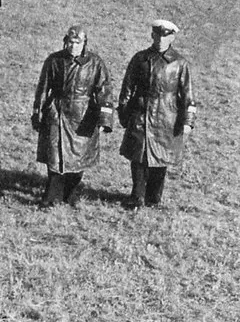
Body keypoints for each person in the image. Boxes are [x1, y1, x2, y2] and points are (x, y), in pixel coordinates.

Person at [31, 25, 115, 207]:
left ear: (84, 44)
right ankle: (51, 196)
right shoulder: (54, 61)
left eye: (77, 43)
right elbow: (43, 88)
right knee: (55, 156)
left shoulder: (95, 63)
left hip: (83, 116)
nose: (72, 46)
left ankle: (70, 193)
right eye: (69, 42)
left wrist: (105, 119)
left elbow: (105, 91)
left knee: (79, 159)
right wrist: (38, 112)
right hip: (57, 112)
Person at [117, 19, 196, 209]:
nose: (161, 39)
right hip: (141, 113)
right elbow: (127, 88)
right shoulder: (140, 59)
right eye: (158, 35)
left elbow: (188, 95)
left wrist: (188, 121)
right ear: (152, 35)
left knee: (161, 159)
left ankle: (153, 198)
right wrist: (124, 113)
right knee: (138, 157)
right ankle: (136, 196)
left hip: (166, 117)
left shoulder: (180, 63)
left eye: (166, 36)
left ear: (172, 38)